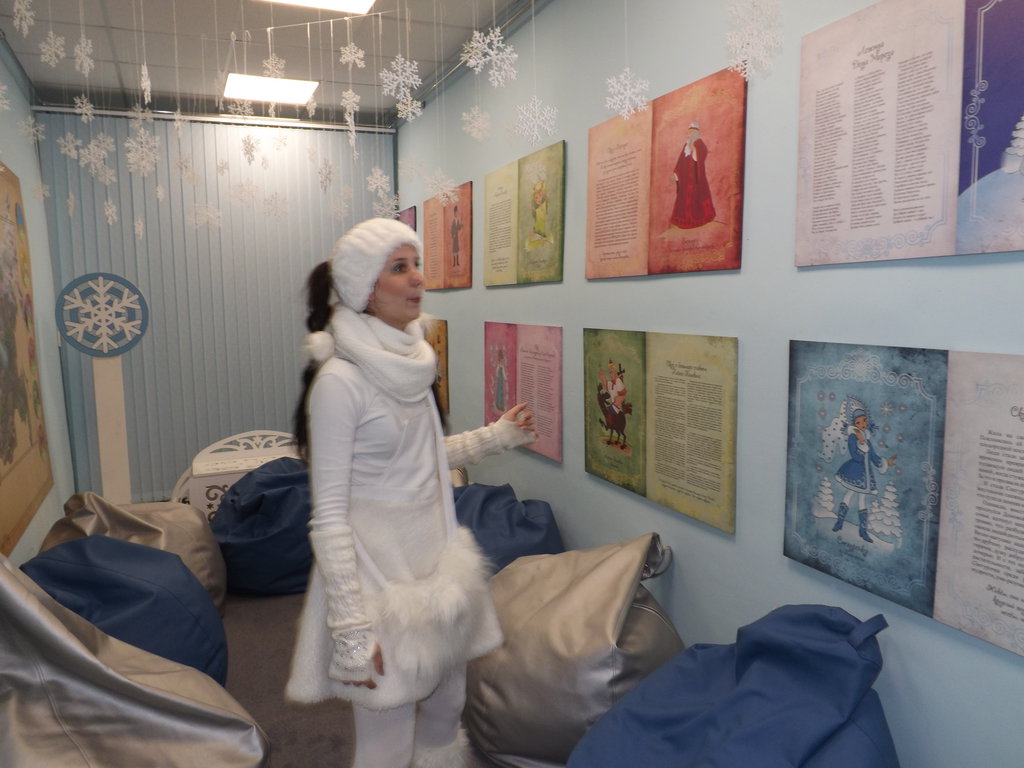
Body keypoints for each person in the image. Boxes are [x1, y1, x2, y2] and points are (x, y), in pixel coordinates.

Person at [285, 218, 537, 768]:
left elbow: (422, 459)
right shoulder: (341, 383)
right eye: (400, 268)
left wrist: (496, 437)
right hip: (378, 587)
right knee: (387, 740)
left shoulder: (413, 366)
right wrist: (351, 629)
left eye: (416, 264)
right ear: (366, 288)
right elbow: (328, 518)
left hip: (437, 575)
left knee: (447, 711)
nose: (418, 278)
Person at [832, 404, 896, 543]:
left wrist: (885, 463)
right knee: (849, 494)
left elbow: (873, 456)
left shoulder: (867, 439)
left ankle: (863, 530)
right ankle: (840, 522)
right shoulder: (853, 437)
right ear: (854, 424)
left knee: (862, 499)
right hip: (854, 472)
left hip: (866, 475)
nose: (862, 424)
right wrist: (861, 444)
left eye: (864, 421)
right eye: (858, 422)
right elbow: (855, 455)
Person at [670, 121, 716, 229]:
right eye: (689, 132)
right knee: (683, 198)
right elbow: (681, 160)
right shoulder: (686, 145)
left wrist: (693, 147)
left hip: (697, 178)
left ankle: (698, 220)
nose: (689, 134)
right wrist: (676, 173)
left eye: (692, 132)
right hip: (686, 179)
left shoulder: (699, 144)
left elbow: (699, 158)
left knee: (697, 197)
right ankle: (683, 221)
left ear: (696, 133)